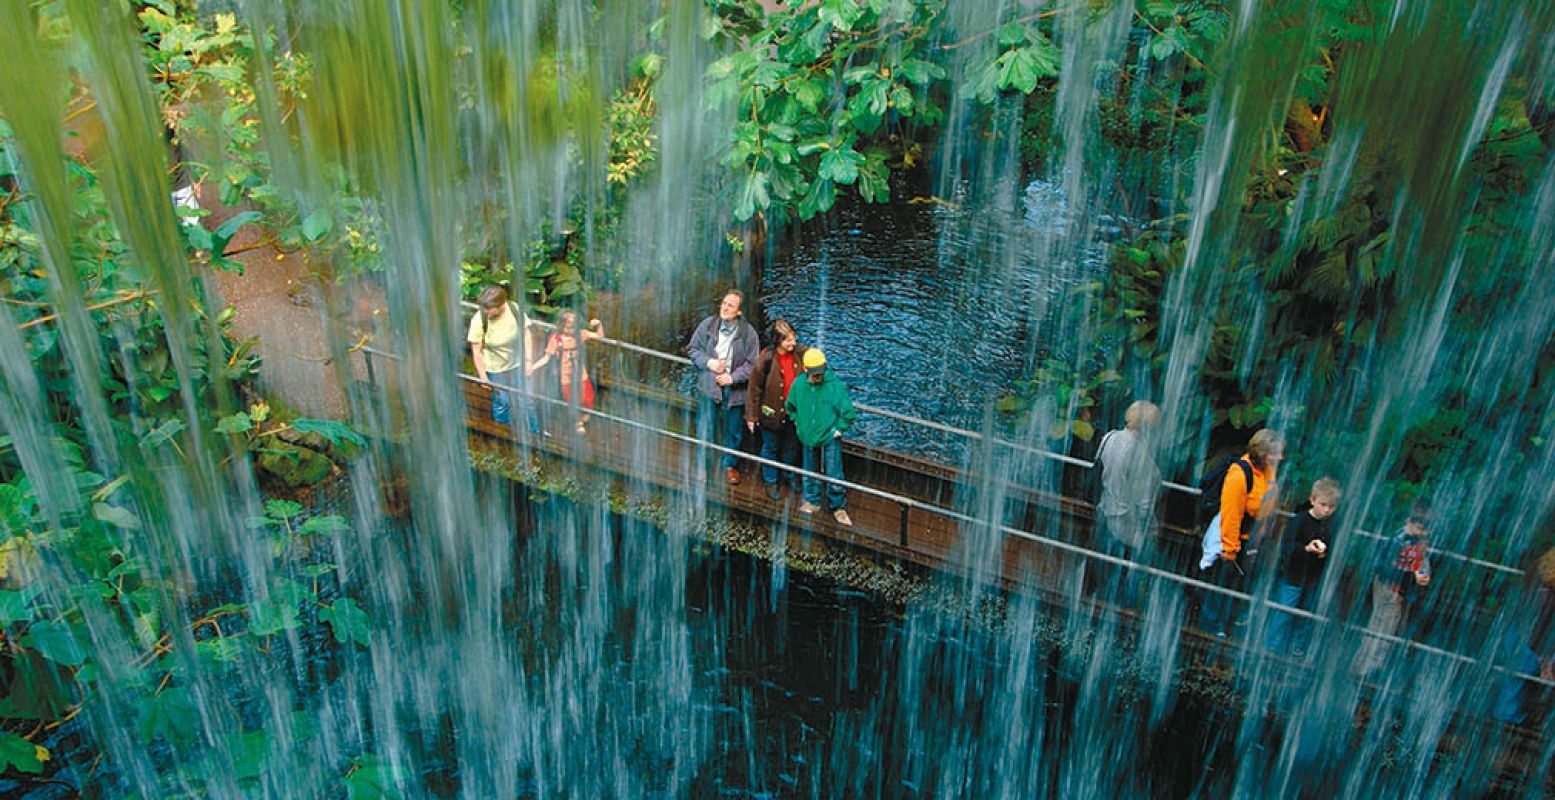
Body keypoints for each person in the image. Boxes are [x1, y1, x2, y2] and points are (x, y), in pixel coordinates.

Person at [1197, 428, 1284, 637]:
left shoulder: (1268, 470)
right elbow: (1231, 514)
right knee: (1220, 581)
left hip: (1251, 537)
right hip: (1230, 538)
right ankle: (1209, 628)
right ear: (1262, 454)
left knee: (1237, 583)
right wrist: (1230, 548)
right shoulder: (1239, 475)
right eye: (1276, 453)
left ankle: (1226, 623)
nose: (1280, 457)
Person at [1351, 499, 1435, 678]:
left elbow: (1422, 561)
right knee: (1384, 626)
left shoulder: (1419, 542)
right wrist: (1410, 577)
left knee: (1388, 625)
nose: (1424, 531)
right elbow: (1386, 566)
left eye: (1427, 527)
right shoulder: (1400, 541)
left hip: (1401, 588)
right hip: (1389, 587)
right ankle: (1367, 668)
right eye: (1419, 526)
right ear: (1409, 521)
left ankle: (1370, 664)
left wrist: (1422, 573)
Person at [687, 290, 760, 484]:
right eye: (724, 303)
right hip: (708, 388)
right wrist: (709, 362)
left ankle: (729, 465)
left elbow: (753, 364)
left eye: (731, 306)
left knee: (733, 430)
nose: (725, 308)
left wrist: (733, 377)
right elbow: (693, 350)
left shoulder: (748, 333)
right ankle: (703, 465)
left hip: (735, 391)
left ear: (739, 312)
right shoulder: (708, 325)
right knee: (704, 426)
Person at [1265, 478, 1342, 656]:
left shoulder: (1330, 526)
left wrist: (1323, 554)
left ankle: (1297, 648)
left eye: (1331, 507)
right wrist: (1306, 549)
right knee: (1285, 611)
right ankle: (1273, 646)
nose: (1327, 510)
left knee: (1307, 615)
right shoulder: (1299, 521)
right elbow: (1287, 548)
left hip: (1313, 577)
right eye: (1323, 505)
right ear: (1313, 500)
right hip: (1293, 575)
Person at [785, 348, 856, 526]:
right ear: (806, 370)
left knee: (834, 472)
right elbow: (790, 406)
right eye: (815, 374)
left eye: (820, 373)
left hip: (829, 437)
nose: (819, 377)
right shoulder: (799, 385)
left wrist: (839, 429)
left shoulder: (833, 385)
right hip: (808, 436)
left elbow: (848, 412)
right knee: (809, 470)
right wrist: (797, 422)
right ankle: (813, 501)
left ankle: (838, 507)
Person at [745, 320, 808, 501]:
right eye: (788, 340)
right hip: (771, 413)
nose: (793, 343)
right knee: (770, 447)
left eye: (794, 338)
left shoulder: (799, 352)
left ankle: (788, 476)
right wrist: (751, 415)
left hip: (793, 413)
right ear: (778, 341)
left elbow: (815, 358)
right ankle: (770, 481)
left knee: (791, 446)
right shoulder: (767, 358)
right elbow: (754, 388)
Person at [466, 285, 538, 434]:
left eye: (488, 308)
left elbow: (526, 334)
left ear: (500, 306)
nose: (485, 311)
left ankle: (534, 431)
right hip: (495, 366)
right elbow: (477, 351)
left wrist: (528, 360)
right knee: (502, 401)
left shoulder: (514, 310)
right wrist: (483, 377)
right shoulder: (479, 319)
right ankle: (504, 432)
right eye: (484, 308)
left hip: (517, 362)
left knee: (527, 399)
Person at [528, 310, 603, 434]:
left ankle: (584, 417)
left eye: (573, 327)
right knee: (571, 399)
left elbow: (599, 336)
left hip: (580, 372)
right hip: (565, 374)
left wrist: (599, 325)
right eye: (567, 326)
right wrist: (533, 367)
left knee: (587, 396)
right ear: (562, 325)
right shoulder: (556, 340)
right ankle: (577, 422)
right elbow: (546, 358)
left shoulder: (581, 335)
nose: (570, 329)